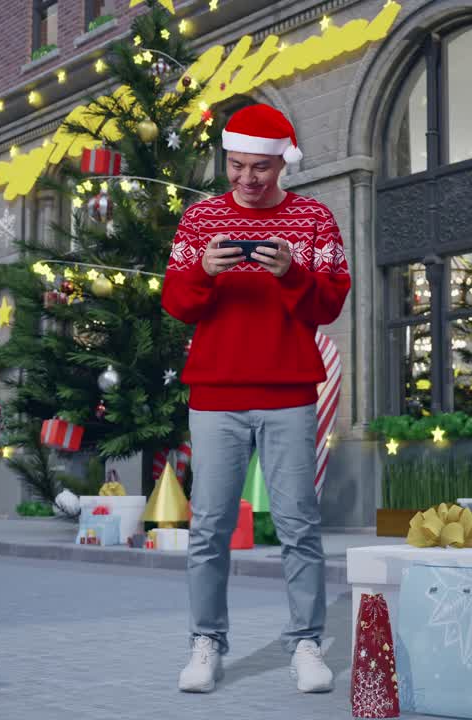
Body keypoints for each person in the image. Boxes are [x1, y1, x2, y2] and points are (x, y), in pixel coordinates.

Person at [161, 104, 351, 694]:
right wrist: (205, 274)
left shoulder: (315, 219)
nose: (246, 178)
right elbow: (176, 303)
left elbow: (330, 305)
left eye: (260, 168)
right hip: (215, 393)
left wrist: (292, 272)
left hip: (289, 391)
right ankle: (207, 643)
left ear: (283, 163)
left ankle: (306, 645)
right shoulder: (199, 221)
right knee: (209, 528)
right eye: (237, 165)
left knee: (299, 525)